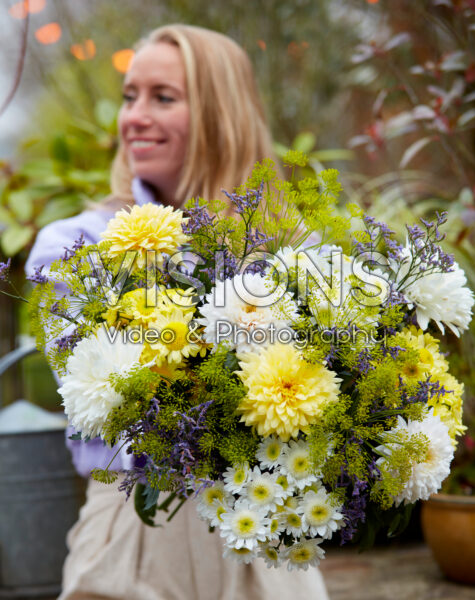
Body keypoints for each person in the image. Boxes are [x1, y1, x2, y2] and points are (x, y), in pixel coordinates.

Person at [26, 24, 331, 600]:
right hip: (134, 531)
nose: (134, 117)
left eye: (163, 97)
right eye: (129, 96)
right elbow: (110, 396)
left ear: (221, 114)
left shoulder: (296, 249)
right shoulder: (76, 244)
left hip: (263, 534)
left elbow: (328, 397)